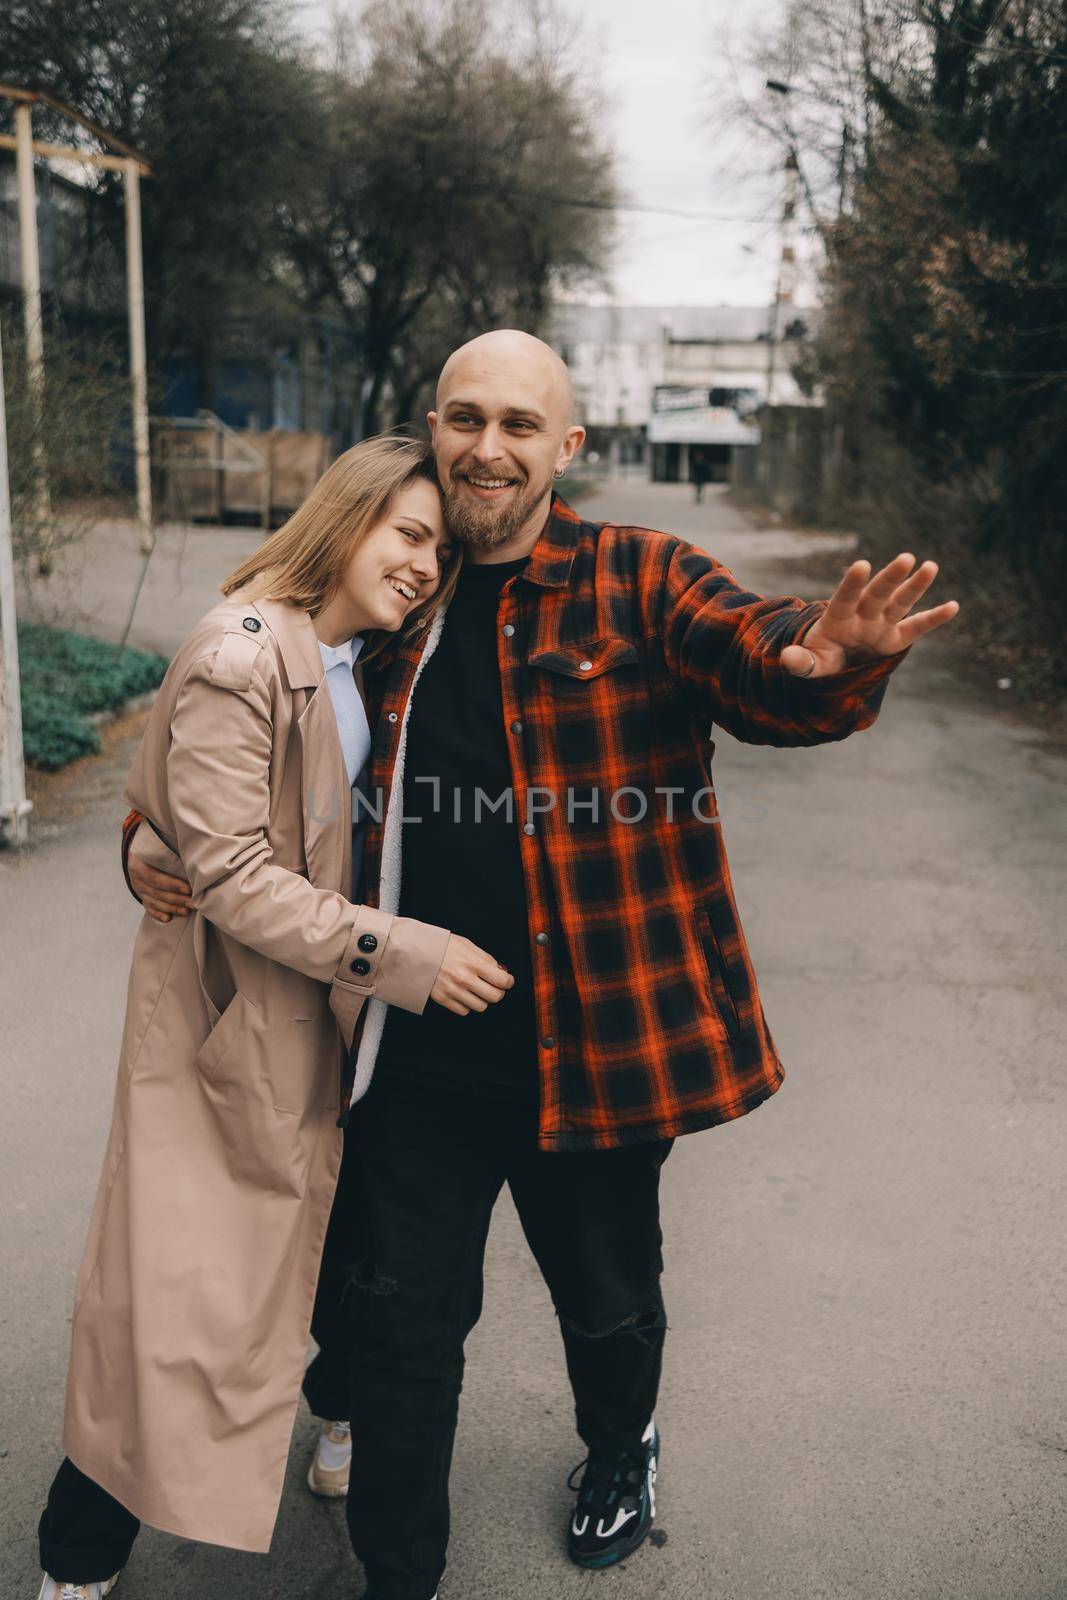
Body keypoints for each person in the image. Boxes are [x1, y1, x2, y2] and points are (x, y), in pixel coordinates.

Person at [129, 331, 959, 1600]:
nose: (488, 447)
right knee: (405, 1327)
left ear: (565, 449)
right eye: (465, 418)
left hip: (600, 1050)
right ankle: (397, 1576)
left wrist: (822, 654)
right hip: (410, 1051)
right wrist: (149, 833)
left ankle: (620, 1450)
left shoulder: (639, 577)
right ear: (434, 427)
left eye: (521, 424)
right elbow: (254, 717)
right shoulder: (396, 588)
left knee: (607, 1304)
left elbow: (758, 657)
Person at [34, 435, 515, 1600]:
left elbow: (219, 818)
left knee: (340, 1255)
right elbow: (239, 873)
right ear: (344, 516)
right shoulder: (242, 652)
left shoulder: (363, 662)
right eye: (405, 534)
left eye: (436, 551)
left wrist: (148, 832)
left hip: (328, 1032)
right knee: (174, 1305)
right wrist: (407, 953)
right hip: (230, 1033)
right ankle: (75, 1562)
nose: (420, 565)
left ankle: (338, 1417)